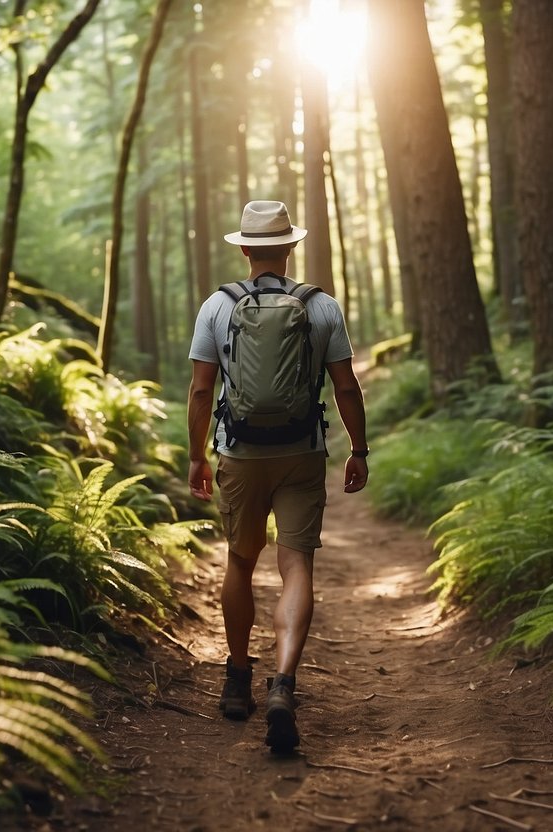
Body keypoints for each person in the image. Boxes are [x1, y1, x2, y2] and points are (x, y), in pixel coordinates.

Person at [187, 199, 369, 754]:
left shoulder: (216, 307)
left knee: (241, 560)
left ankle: (237, 677)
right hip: (302, 452)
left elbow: (200, 391)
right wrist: (358, 449)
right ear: (290, 247)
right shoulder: (321, 308)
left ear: (244, 248)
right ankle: (283, 684)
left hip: (239, 454)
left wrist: (196, 456)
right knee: (296, 566)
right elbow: (345, 387)